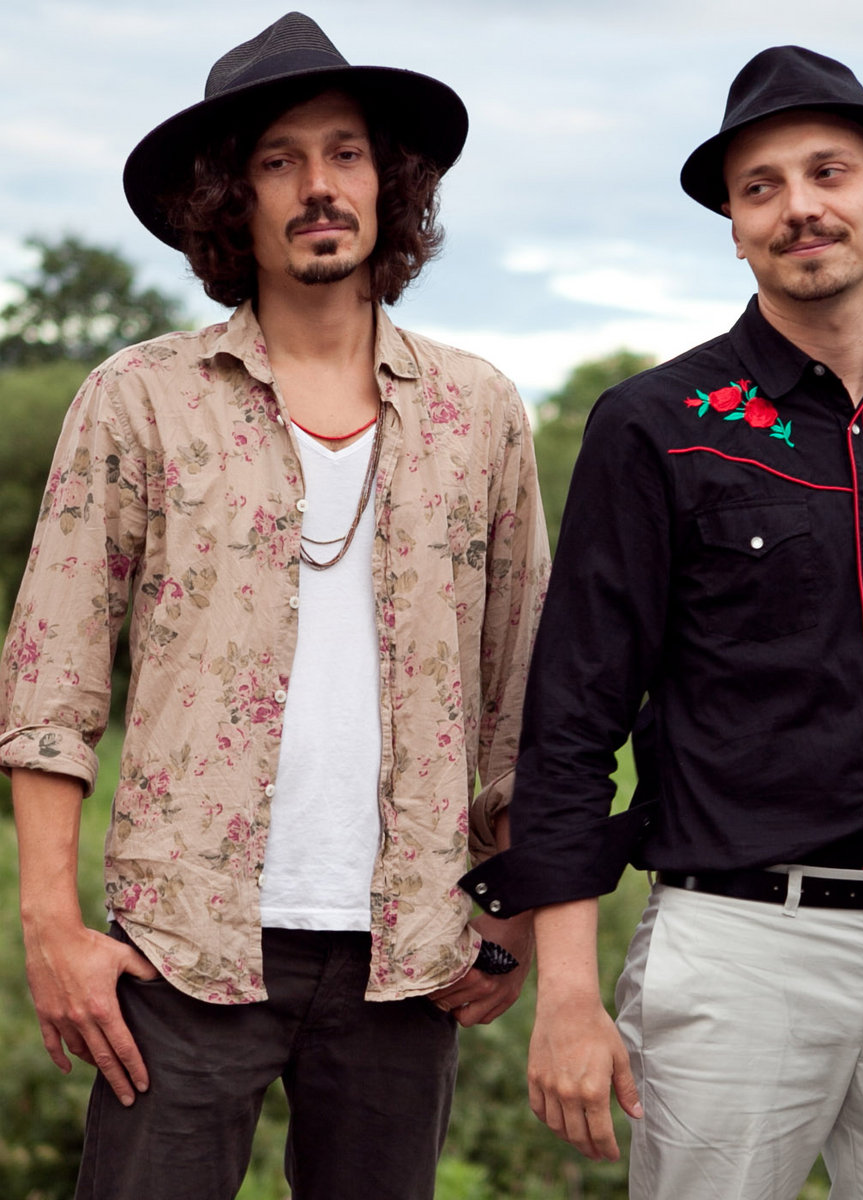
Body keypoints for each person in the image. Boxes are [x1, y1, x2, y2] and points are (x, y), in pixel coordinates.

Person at [461, 44, 863, 1199]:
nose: (799, 208)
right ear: (735, 228)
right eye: (761, 188)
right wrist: (569, 997)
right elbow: (572, 724)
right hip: (738, 951)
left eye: (828, 173)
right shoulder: (657, 426)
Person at [0, 12, 547, 1200]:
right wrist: (50, 927)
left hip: (410, 952)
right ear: (229, 197)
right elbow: (49, 677)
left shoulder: (480, 412)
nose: (319, 187)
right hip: (181, 947)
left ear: (388, 184)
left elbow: (523, 687)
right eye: (278, 160)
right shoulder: (140, 398)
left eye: (346, 153)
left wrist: (512, 910)